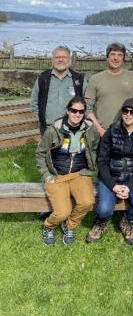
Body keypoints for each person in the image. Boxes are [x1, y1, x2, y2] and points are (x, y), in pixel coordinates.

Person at [35, 97, 99, 246]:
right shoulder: (54, 130)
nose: (77, 114)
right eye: (74, 110)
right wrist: (46, 174)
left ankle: (69, 225)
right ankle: (49, 226)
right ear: (67, 111)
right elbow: (40, 153)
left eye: (81, 111)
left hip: (79, 173)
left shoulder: (90, 130)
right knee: (62, 212)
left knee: (87, 202)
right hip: (57, 175)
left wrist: (90, 168)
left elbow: (95, 149)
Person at [86, 98, 133, 245]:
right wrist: (114, 186)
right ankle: (101, 223)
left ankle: (127, 221)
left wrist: (129, 186)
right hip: (111, 176)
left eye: (132, 111)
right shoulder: (111, 131)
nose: (128, 114)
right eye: (125, 111)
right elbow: (101, 161)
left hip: (132, 177)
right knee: (104, 210)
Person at [85, 42, 133, 137]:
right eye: (113, 54)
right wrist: (99, 129)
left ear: (123, 58)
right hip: (102, 131)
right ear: (107, 57)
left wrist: (132, 128)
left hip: (127, 132)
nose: (116, 58)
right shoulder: (95, 79)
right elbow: (88, 108)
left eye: (120, 55)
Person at [31, 45, 87, 134]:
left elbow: (87, 103)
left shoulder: (79, 79)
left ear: (70, 60)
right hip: (48, 129)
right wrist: (42, 119)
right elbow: (34, 102)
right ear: (52, 60)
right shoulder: (43, 78)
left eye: (64, 57)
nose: (60, 60)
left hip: (73, 129)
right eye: (57, 57)